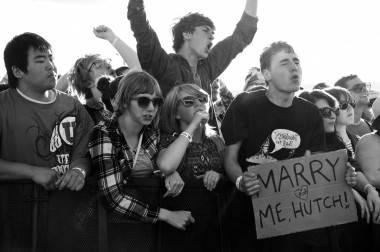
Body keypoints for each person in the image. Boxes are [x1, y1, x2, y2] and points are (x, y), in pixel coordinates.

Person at [221, 41, 329, 251]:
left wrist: (343, 175)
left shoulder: (311, 113)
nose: (293, 67)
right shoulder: (245, 104)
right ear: (267, 74)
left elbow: (317, 163)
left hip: (296, 217)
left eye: (296, 61)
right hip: (249, 217)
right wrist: (241, 181)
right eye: (284, 63)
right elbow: (229, 158)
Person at [88, 70, 194, 229]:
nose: (151, 108)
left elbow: (152, 168)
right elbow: (113, 199)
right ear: (124, 101)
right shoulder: (104, 134)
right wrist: (167, 215)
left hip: (144, 227)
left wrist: (168, 172)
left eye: (156, 101)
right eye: (143, 101)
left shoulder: (152, 132)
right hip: (107, 227)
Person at [0, 32, 93, 191]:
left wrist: (79, 171)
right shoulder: (3, 105)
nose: (50, 65)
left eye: (51, 58)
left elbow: (87, 153)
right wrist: (32, 172)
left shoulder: (73, 106)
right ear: (17, 71)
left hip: (69, 207)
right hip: (12, 209)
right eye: (40, 60)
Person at [127, 0, 258, 97]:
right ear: (187, 34)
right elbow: (141, 27)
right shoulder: (163, 64)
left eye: (213, 34)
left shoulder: (207, 69)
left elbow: (242, 35)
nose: (211, 37)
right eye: (206, 30)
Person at [157, 83, 225, 251]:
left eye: (203, 99)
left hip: (214, 226)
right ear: (175, 113)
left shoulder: (216, 141)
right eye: (189, 101)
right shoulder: (169, 140)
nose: (199, 104)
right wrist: (193, 126)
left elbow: (229, 174)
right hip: (181, 228)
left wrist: (219, 176)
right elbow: (166, 165)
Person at [68, 54, 113, 123]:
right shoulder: (83, 115)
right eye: (99, 66)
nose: (108, 66)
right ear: (87, 82)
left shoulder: (119, 99)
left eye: (106, 62)